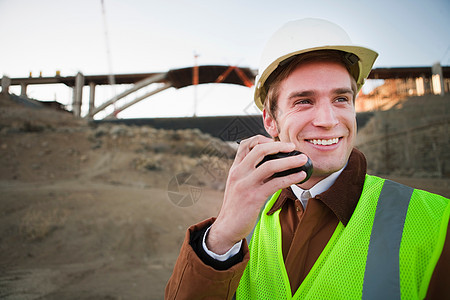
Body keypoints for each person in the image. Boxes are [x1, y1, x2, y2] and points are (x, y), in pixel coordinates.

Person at [165, 18, 450, 299]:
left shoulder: (438, 223)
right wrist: (219, 241)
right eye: (303, 101)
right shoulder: (245, 218)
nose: (328, 120)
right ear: (270, 120)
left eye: (341, 99)